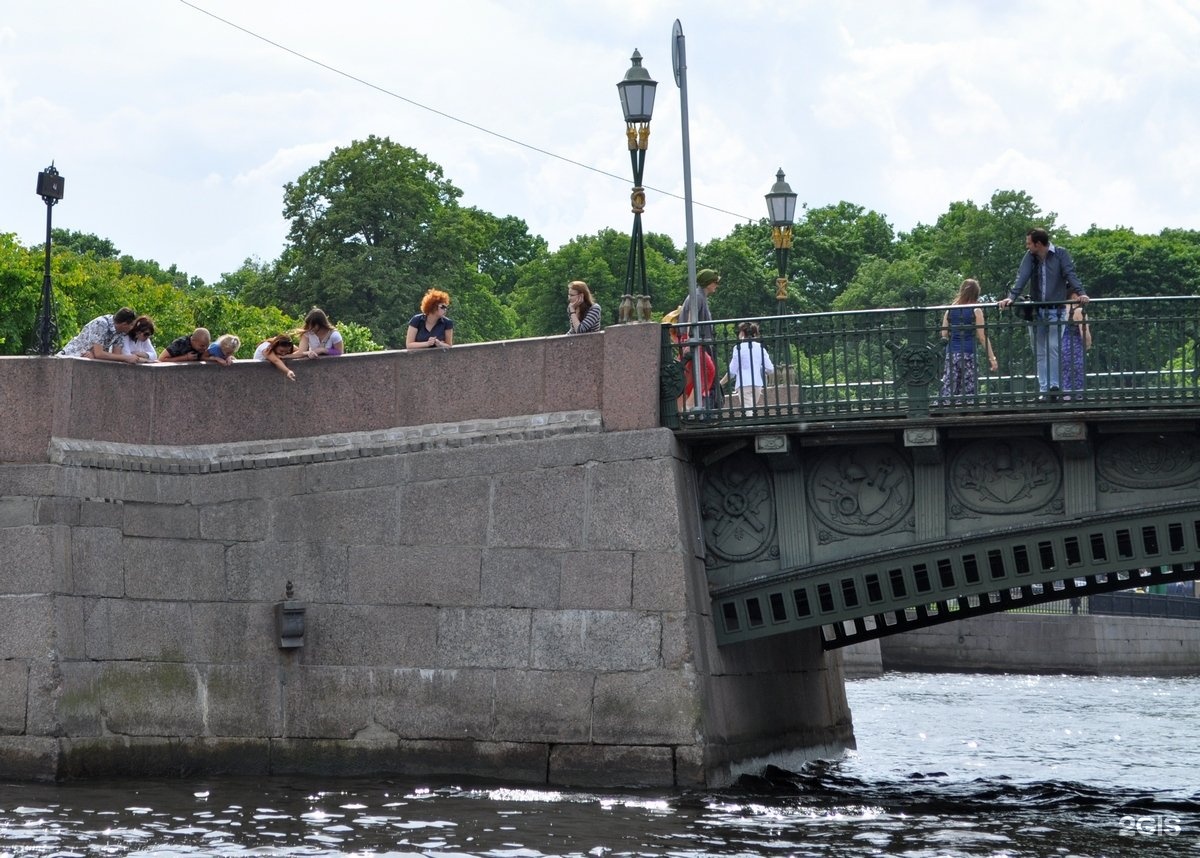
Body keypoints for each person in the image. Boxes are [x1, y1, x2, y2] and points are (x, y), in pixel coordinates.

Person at [998, 228, 1089, 400]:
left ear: (1038, 244)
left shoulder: (1061, 254)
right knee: (1040, 351)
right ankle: (1044, 389)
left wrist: (1081, 293)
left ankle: (1054, 387)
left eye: (1029, 243)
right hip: (1037, 311)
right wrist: (1011, 298)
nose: (1027, 246)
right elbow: (1022, 277)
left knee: (1053, 348)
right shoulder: (1030, 257)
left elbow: (1070, 274)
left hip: (1056, 309)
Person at [939, 279, 998, 404]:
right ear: (976, 293)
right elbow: (982, 337)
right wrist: (992, 358)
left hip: (952, 353)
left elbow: (944, 333)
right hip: (969, 352)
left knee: (950, 385)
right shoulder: (976, 310)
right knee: (968, 388)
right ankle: (967, 410)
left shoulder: (950, 309)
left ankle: (946, 409)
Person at [680, 268, 722, 408]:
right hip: (694, 341)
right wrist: (689, 340)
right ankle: (690, 405)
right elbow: (691, 318)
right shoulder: (697, 296)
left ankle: (688, 405)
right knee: (708, 370)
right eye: (715, 282)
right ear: (708, 283)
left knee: (693, 375)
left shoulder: (699, 296)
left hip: (695, 341)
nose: (717, 285)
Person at [721, 322, 774, 413]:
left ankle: (751, 426)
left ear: (742, 333)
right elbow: (770, 369)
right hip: (757, 384)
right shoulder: (760, 347)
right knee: (751, 408)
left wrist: (720, 383)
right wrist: (760, 370)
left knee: (748, 410)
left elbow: (732, 371)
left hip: (744, 384)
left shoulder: (738, 348)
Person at [57, 307, 141, 362]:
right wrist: (126, 357)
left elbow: (116, 356)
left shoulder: (120, 332)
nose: (132, 328)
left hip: (88, 361)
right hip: (71, 357)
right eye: (131, 325)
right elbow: (99, 353)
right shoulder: (101, 324)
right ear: (124, 324)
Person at [1060, 299, 1091, 401]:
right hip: (1075, 348)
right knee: (1076, 377)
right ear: (1074, 295)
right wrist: (1087, 345)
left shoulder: (1059, 310)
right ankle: (1077, 400)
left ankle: (1065, 398)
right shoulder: (1078, 311)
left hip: (1061, 348)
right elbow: (1084, 334)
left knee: (1065, 377)